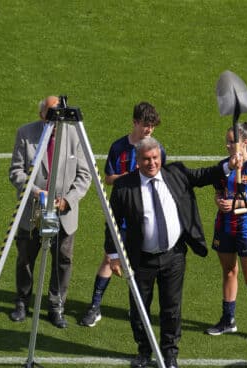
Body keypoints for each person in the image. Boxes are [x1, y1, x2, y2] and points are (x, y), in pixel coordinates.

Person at [106, 137, 239, 368]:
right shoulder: (124, 187)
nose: (152, 163)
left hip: (174, 256)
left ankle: (169, 355)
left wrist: (229, 165)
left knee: (172, 308)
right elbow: (112, 222)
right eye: (146, 159)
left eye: (155, 158)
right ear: (138, 161)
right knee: (140, 308)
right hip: (141, 259)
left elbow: (205, 175)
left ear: (160, 156)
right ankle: (144, 352)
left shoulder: (176, 173)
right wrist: (113, 254)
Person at [80, 101, 167, 327]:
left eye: (152, 127)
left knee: (141, 264)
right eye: (145, 125)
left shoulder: (156, 149)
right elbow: (108, 179)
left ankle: (136, 308)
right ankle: (94, 307)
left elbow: (162, 179)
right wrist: (129, 177)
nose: (148, 130)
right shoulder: (118, 147)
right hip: (120, 213)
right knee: (110, 258)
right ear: (134, 122)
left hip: (146, 215)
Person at [8, 96, 91, 328]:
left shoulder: (75, 135)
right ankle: (22, 302)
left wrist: (67, 200)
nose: (57, 119)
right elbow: (16, 172)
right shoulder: (25, 133)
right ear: (42, 115)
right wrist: (36, 193)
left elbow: (85, 176)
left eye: (60, 113)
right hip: (33, 211)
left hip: (64, 213)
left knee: (62, 260)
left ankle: (56, 306)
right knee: (26, 257)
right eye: (52, 114)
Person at [204, 122, 247, 345]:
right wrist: (220, 202)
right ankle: (228, 320)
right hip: (224, 228)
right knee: (228, 272)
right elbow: (217, 193)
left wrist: (241, 203)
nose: (226, 145)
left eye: (230, 141)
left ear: (244, 143)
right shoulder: (224, 166)